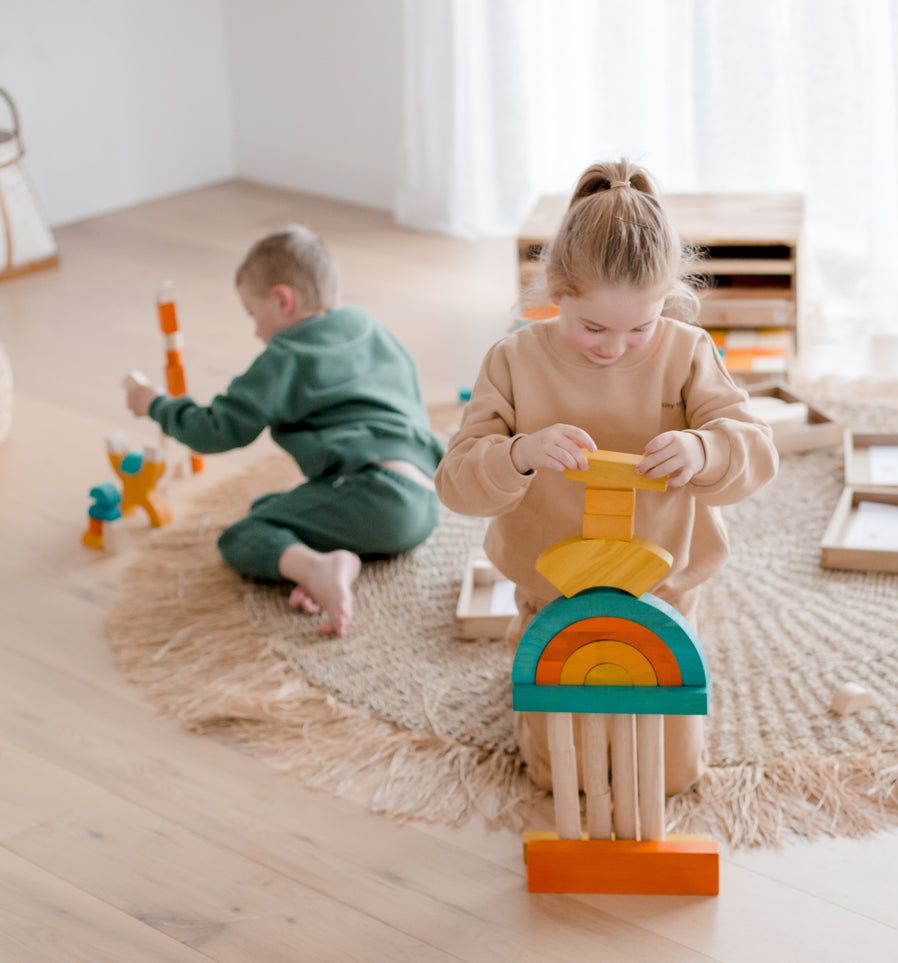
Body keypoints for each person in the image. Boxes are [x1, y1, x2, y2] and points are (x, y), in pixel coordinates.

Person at [436, 159, 778, 794]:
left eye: (639, 328)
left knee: (669, 778)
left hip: (663, 595)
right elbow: (456, 480)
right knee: (561, 778)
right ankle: (524, 672)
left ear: (666, 303)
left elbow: (756, 449)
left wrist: (704, 450)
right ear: (554, 292)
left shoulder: (686, 350)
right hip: (552, 597)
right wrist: (518, 453)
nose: (614, 347)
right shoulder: (513, 360)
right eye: (593, 327)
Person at [124, 225, 444, 637]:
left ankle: (317, 567)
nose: (255, 330)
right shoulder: (367, 325)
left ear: (282, 300)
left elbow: (215, 430)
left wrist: (155, 403)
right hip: (426, 498)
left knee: (244, 534)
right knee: (269, 506)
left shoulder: (285, 356)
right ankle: (330, 561)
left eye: (251, 313)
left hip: (376, 498)